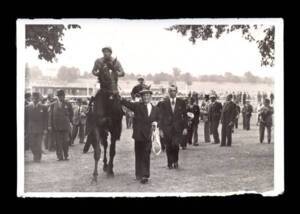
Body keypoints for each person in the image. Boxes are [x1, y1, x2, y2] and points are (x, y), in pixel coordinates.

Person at [121, 88, 160, 184]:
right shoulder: (137, 106)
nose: (146, 97)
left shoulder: (156, 109)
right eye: (144, 96)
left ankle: (145, 175)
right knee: (138, 155)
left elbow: (159, 119)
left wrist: (156, 122)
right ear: (141, 97)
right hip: (138, 135)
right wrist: (120, 98)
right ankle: (138, 174)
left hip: (148, 135)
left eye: (147, 95)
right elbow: (127, 104)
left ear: (150, 97)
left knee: (146, 155)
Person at [91, 46, 125, 125]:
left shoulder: (116, 61)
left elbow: (122, 73)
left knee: (120, 93)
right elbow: (93, 71)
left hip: (113, 82)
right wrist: (99, 73)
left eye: (108, 52)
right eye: (104, 52)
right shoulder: (98, 61)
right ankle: (90, 106)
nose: (106, 53)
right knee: (94, 91)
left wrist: (115, 73)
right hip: (101, 83)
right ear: (103, 53)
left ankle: (121, 109)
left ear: (110, 53)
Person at [158, 85, 188, 169]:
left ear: (176, 92)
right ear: (168, 92)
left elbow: (185, 116)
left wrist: (185, 128)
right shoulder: (164, 103)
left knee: (175, 145)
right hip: (167, 129)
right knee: (168, 146)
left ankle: (176, 161)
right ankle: (169, 163)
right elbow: (161, 117)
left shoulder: (181, 102)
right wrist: (160, 129)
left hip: (178, 129)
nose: (172, 92)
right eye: (171, 91)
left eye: (174, 91)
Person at [48, 90, 73, 161]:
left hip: (65, 126)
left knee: (65, 141)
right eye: (59, 96)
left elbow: (71, 113)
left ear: (64, 96)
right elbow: (50, 116)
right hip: (56, 126)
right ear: (57, 97)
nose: (60, 97)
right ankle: (59, 156)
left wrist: (69, 121)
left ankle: (66, 155)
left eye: (62, 96)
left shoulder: (68, 104)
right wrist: (50, 125)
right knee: (58, 143)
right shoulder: (52, 105)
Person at [25, 92, 48, 162]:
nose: (35, 99)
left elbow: (45, 119)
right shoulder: (27, 107)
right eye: (34, 98)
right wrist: (25, 129)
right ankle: (36, 154)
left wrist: (45, 128)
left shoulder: (44, 107)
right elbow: (26, 119)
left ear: (39, 98)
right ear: (32, 98)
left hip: (40, 128)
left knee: (38, 144)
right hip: (31, 128)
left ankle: (38, 157)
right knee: (31, 144)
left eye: (36, 98)